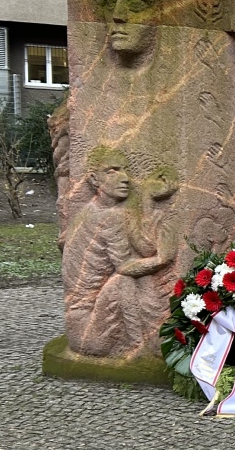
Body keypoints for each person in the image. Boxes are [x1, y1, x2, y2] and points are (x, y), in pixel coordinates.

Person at [62, 147, 171, 357]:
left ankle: (156, 335)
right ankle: (140, 347)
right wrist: (162, 260)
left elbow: (145, 247)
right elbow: (126, 266)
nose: (125, 178)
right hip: (88, 331)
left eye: (125, 170)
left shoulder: (107, 211)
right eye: (112, 171)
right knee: (126, 279)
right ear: (94, 179)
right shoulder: (108, 216)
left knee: (135, 275)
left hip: (79, 328)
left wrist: (148, 198)